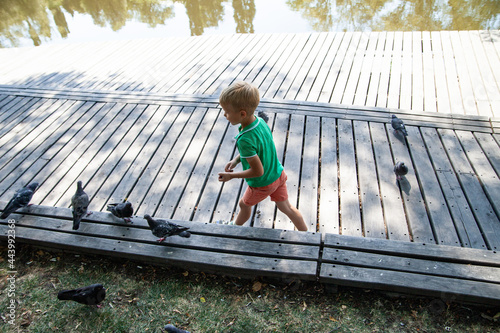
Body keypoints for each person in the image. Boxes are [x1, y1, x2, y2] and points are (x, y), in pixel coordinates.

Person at [217, 81, 308, 231]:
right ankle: (307, 235)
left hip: (263, 183)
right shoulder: (260, 122)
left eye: (227, 111)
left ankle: (232, 229)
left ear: (242, 114)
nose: (225, 115)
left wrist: (231, 176)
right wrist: (236, 160)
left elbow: (258, 171)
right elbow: (258, 148)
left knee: (243, 205)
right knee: (287, 207)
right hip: (278, 174)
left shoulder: (244, 138)